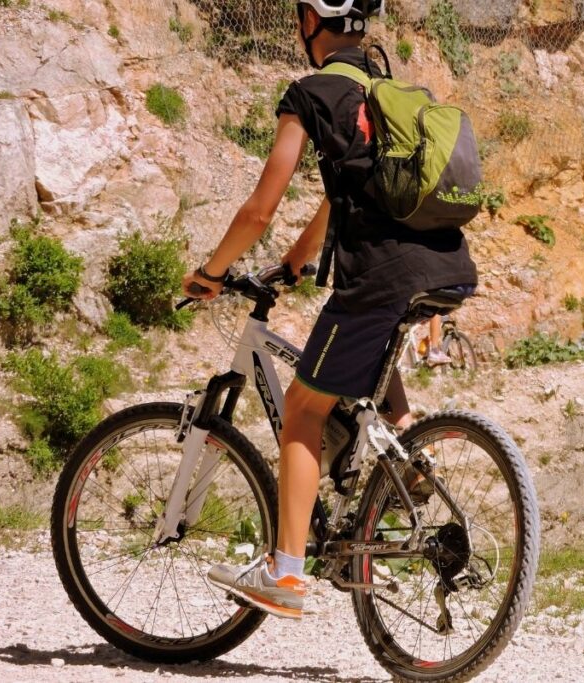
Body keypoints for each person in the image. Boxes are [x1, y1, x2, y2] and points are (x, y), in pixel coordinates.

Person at [180, 0, 477, 619]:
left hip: (378, 277)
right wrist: (292, 264)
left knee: (302, 409)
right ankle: (404, 467)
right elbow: (342, 200)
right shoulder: (387, 91)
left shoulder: (311, 94)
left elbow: (260, 207)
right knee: (366, 377)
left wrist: (212, 272)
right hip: (446, 265)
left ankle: (285, 573)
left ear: (311, 21)